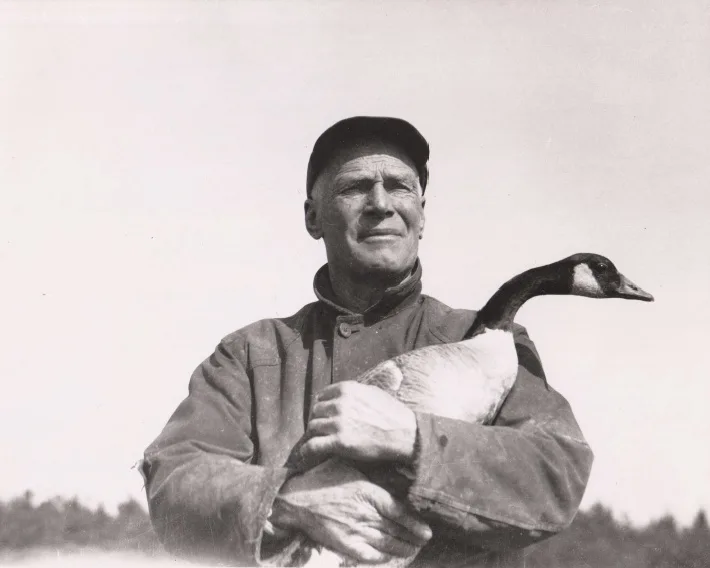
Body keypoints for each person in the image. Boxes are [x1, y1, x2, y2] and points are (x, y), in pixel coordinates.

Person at [141, 116, 594, 568]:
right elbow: (174, 477)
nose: (380, 203)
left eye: (399, 186)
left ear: (422, 213)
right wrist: (284, 500)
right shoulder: (252, 355)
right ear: (312, 217)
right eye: (355, 187)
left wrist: (413, 440)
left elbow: (555, 474)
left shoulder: (487, 343)